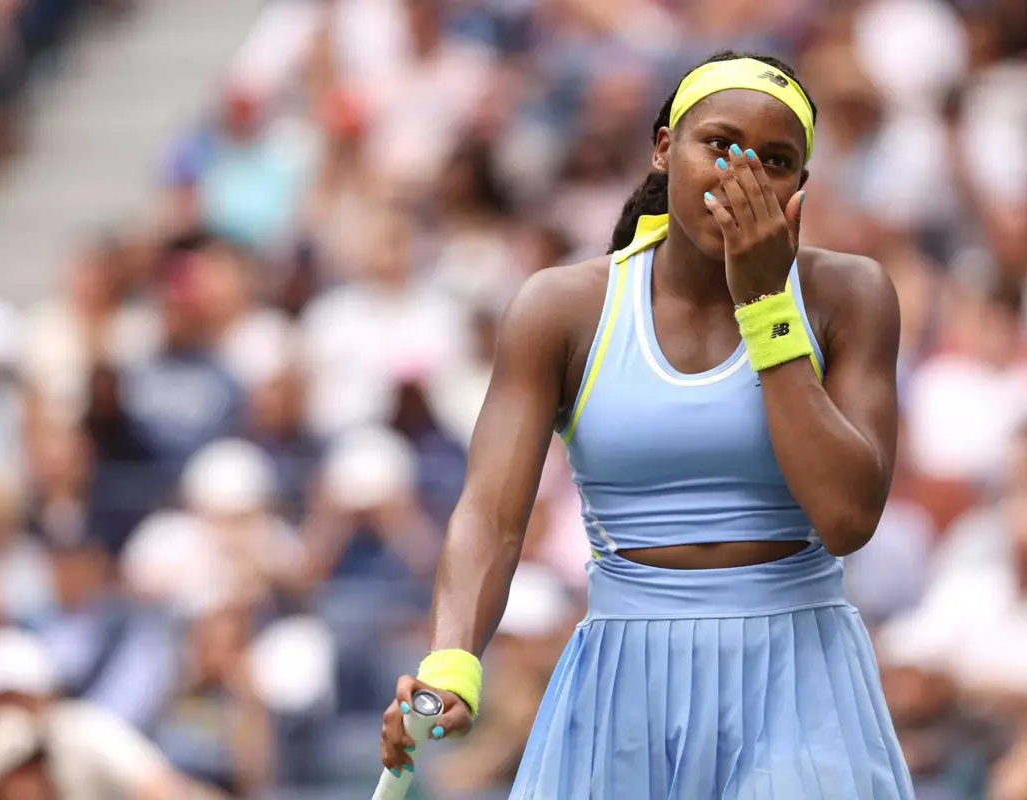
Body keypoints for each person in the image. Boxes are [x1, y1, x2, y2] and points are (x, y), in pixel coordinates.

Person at [380, 50, 913, 798]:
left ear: (800, 187)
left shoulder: (850, 294)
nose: (741, 175)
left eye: (776, 159)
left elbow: (848, 516)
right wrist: (450, 665)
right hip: (623, 690)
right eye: (719, 145)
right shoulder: (560, 308)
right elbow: (492, 514)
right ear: (665, 149)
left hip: (802, 681)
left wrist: (766, 309)